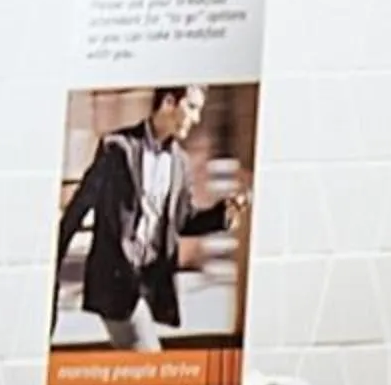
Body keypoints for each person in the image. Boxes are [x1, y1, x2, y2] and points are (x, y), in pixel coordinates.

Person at [53, 84, 249, 352]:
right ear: (169, 103)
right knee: (148, 361)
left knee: (139, 369)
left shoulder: (180, 163)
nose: (197, 118)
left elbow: (182, 221)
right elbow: (80, 205)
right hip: (116, 283)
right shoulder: (118, 149)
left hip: (149, 284)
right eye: (191, 107)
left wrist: (222, 216)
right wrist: (52, 263)